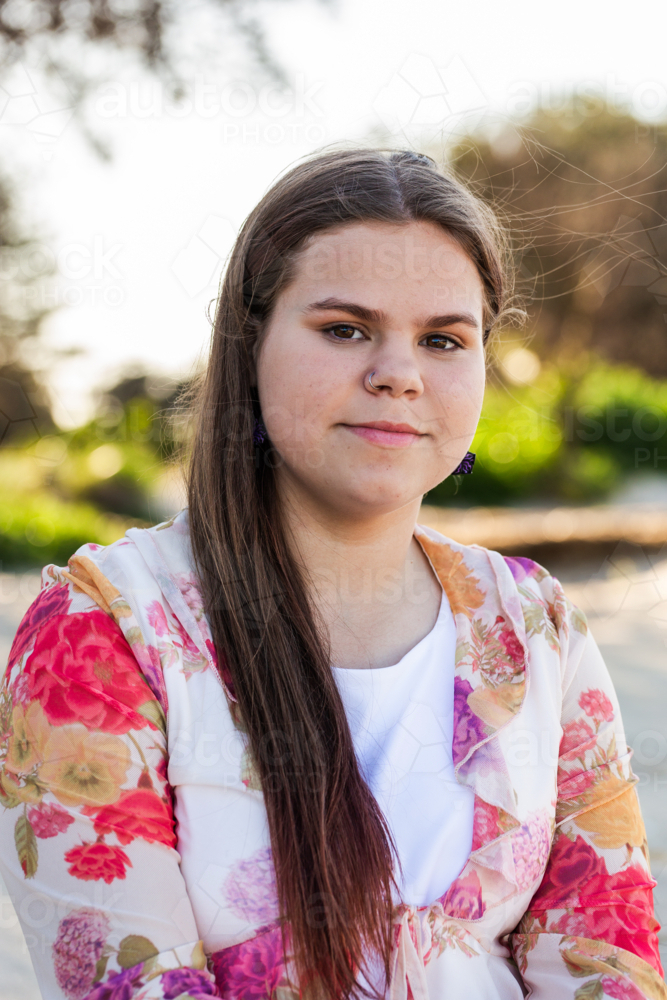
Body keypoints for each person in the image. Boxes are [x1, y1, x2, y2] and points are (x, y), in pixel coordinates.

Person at [0, 149, 663, 1000]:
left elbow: (605, 956)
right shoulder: (108, 630)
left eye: (442, 339)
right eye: (345, 329)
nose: (398, 373)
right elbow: (128, 983)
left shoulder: (532, 624)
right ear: (250, 345)